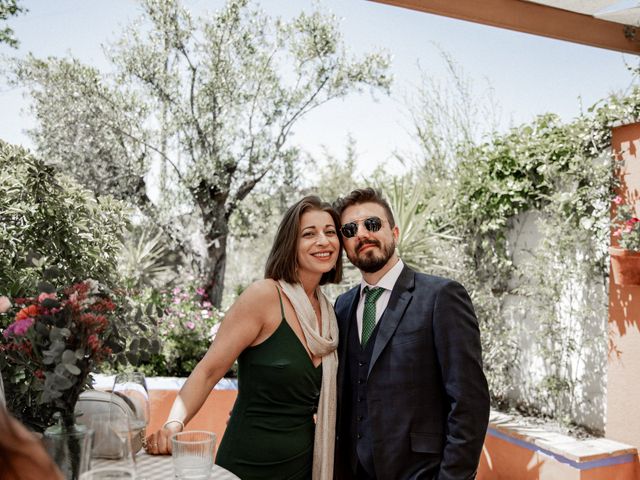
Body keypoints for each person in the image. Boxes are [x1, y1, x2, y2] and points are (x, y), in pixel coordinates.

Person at [145, 196, 342, 480]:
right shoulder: (264, 296)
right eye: (309, 233)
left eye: (330, 232)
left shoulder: (330, 315)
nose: (323, 241)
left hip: (304, 464)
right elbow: (209, 370)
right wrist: (174, 423)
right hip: (248, 463)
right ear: (290, 244)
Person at [332, 188, 490, 480]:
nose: (362, 234)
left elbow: (470, 402)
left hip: (420, 473)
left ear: (394, 231)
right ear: (344, 243)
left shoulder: (440, 296)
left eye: (373, 224)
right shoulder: (342, 307)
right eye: (350, 229)